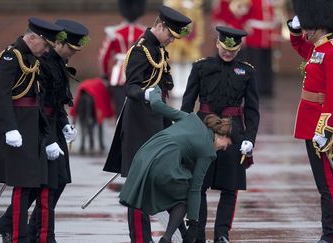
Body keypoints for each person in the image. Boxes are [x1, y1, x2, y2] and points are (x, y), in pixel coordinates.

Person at [103, 5, 192, 243]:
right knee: (139, 181)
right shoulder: (140, 50)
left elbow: (164, 80)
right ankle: (140, 238)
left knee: (162, 177)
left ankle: (177, 232)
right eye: (170, 34)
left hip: (158, 119)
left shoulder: (158, 49)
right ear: (160, 25)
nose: (172, 40)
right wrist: (145, 95)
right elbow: (130, 87)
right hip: (140, 121)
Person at [0, 17, 64, 243]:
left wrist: (48, 137)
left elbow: (37, 101)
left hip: (31, 128)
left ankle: (21, 234)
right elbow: (2, 95)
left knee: (32, 183)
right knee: (23, 186)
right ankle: (18, 237)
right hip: (15, 129)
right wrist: (10, 128)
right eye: (45, 44)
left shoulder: (31, 59)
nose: (47, 49)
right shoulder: (11, 57)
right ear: (32, 38)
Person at [120, 86, 232, 243]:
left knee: (172, 192)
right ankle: (166, 238)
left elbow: (157, 106)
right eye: (227, 143)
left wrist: (155, 92)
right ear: (220, 134)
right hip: (165, 162)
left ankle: (175, 234)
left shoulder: (189, 118)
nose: (225, 147)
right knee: (184, 196)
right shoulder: (208, 150)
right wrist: (194, 223)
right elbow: (195, 188)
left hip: (144, 155)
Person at [181, 26, 260, 243]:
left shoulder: (247, 71)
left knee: (230, 186)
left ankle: (222, 234)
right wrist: (182, 133)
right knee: (199, 184)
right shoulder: (200, 67)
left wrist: (249, 139)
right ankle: (197, 232)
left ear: (239, 48)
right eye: (225, 48)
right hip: (203, 127)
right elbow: (187, 104)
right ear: (217, 43)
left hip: (233, 130)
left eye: (233, 50)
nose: (228, 53)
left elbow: (252, 110)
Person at [287, 0, 333, 242]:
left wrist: (324, 129)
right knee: (323, 185)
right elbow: (297, 45)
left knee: (329, 186)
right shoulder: (317, 50)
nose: (304, 32)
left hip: (325, 130)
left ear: (318, 23)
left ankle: (332, 235)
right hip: (310, 126)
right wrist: (294, 28)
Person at [27, 19, 89, 243]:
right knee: (48, 185)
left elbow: (58, 100)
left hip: (54, 123)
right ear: (58, 43)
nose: (71, 54)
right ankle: (42, 235)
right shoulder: (42, 63)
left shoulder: (59, 63)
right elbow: (40, 103)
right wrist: (49, 138)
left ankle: (27, 229)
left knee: (60, 179)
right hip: (42, 125)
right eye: (70, 49)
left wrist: (64, 123)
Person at [98, 0, 146, 114]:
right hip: (139, 74)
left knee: (120, 110)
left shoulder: (114, 32)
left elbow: (103, 56)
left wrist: (104, 74)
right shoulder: (144, 32)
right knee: (138, 111)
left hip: (118, 76)